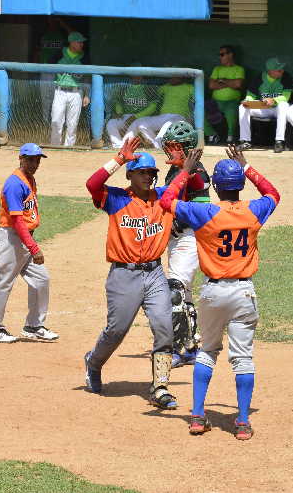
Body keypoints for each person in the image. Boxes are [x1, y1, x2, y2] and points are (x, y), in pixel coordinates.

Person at [160, 144, 279, 440]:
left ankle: (198, 417)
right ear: (239, 184)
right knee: (243, 359)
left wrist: (185, 172)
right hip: (243, 293)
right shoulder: (253, 210)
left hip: (213, 294)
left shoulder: (204, 212)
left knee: (207, 352)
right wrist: (247, 165)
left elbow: (165, 201)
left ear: (215, 185)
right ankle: (241, 422)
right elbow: (273, 194)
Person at [83, 137, 203, 409]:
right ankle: (93, 362)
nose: (149, 176)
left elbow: (195, 187)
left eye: (152, 172)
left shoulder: (164, 197)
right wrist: (119, 159)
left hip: (154, 273)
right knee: (117, 330)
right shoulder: (115, 198)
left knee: (164, 327)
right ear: (130, 175)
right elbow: (92, 184)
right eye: (143, 172)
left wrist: (185, 166)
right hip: (124, 276)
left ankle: (160, 387)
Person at [0, 143, 58, 343]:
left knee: (41, 280)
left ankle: (33, 325)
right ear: (21, 159)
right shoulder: (14, 184)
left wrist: (30, 244)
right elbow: (18, 221)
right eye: (30, 159)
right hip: (12, 239)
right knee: (4, 283)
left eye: (37, 160)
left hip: (24, 238)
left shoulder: (30, 179)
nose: (35, 163)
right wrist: (33, 247)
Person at [160, 121, 211, 368]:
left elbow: (201, 209)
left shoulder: (197, 173)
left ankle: (181, 348)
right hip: (177, 239)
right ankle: (190, 344)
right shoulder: (175, 170)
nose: (169, 150)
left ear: (187, 147)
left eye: (174, 146)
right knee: (185, 293)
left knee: (175, 290)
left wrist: (176, 219)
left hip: (189, 239)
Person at [239, 57, 293, 153]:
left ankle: (279, 141)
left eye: (282, 69)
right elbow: (250, 95)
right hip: (263, 108)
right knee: (243, 107)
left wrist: (274, 100)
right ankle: (245, 141)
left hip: (278, 109)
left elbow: (286, 96)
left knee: (283, 105)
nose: (282, 71)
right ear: (270, 71)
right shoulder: (259, 78)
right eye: (279, 70)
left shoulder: (286, 77)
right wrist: (247, 101)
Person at [50, 32, 90, 147]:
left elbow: (87, 77)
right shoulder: (59, 54)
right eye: (79, 42)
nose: (82, 44)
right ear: (72, 43)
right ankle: (55, 146)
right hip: (59, 91)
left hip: (76, 92)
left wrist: (87, 95)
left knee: (72, 124)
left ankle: (69, 148)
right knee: (56, 121)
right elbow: (47, 67)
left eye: (82, 42)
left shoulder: (85, 57)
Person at [130, 75, 193, 149]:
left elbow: (197, 103)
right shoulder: (165, 87)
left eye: (175, 76)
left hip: (179, 117)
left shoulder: (190, 87)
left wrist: (191, 119)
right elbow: (152, 94)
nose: (172, 78)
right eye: (171, 76)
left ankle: (157, 145)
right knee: (141, 123)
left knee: (167, 125)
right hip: (163, 116)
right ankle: (154, 146)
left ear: (182, 77)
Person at [36, 17, 73, 123]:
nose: (51, 23)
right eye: (50, 21)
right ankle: (45, 121)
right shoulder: (43, 35)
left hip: (58, 70)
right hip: (44, 69)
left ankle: (55, 120)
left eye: (54, 21)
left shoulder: (61, 36)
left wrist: (62, 23)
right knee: (45, 97)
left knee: (56, 96)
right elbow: (37, 52)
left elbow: (74, 37)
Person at [105, 74, 157, 149]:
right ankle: (117, 145)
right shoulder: (124, 88)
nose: (136, 77)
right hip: (126, 115)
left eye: (139, 75)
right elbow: (118, 102)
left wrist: (136, 117)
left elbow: (153, 107)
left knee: (136, 123)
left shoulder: (147, 88)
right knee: (111, 123)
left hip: (143, 117)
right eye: (134, 75)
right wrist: (119, 112)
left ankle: (124, 146)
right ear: (131, 76)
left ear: (142, 77)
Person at [206, 45, 245, 144]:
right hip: (215, 102)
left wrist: (222, 81)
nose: (220, 57)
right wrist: (229, 83)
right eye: (219, 55)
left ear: (230, 55)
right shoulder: (217, 69)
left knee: (232, 112)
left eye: (222, 54)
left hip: (231, 102)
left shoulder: (238, 69)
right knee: (199, 109)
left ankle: (231, 136)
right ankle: (212, 134)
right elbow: (211, 85)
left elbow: (238, 84)